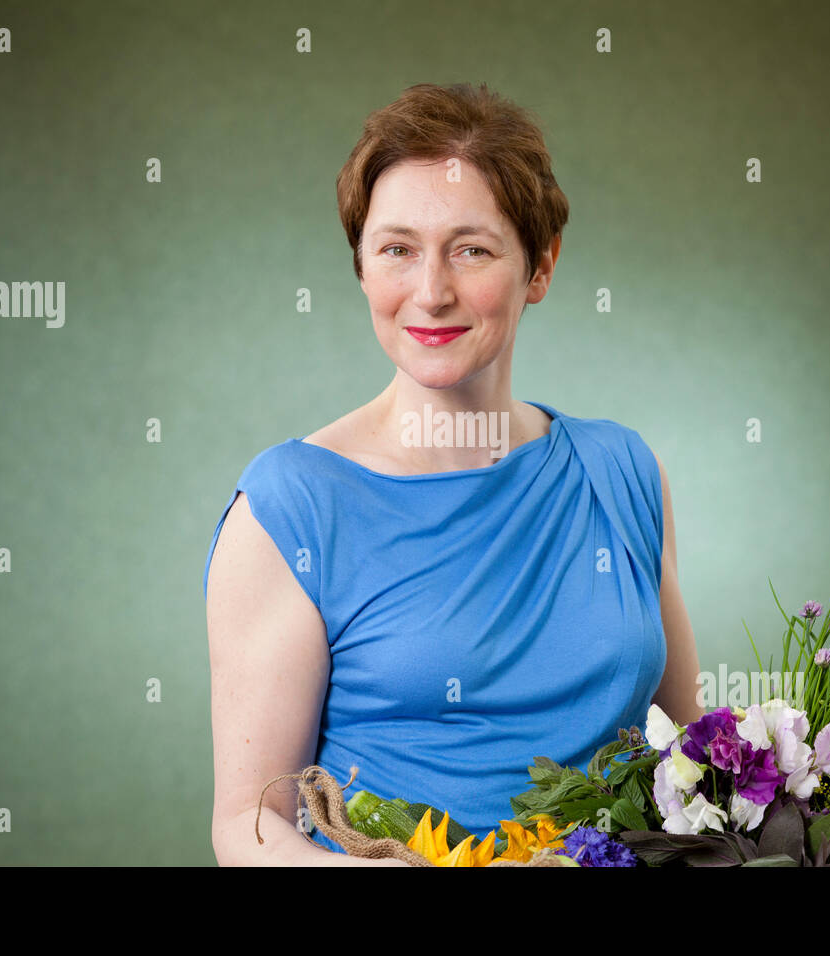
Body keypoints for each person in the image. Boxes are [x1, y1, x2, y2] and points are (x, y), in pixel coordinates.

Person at [205, 82, 703, 866]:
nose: (431, 293)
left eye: (471, 249)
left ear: (540, 266)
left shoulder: (623, 471)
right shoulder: (291, 507)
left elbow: (695, 763)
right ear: (363, 269)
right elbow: (249, 827)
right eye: (397, 249)